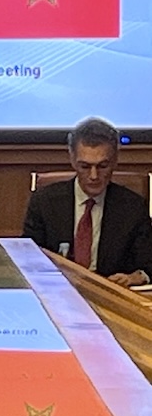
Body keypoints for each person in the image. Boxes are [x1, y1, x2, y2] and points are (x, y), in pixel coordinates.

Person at [22, 116, 152, 287]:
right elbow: (28, 259)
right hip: (58, 291)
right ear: (72, 159)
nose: (94, 176)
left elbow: (148, 264)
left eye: (102, 166)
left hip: (110, 293)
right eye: (85, 166)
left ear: (115, 160)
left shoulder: (133, 207)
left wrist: (136, 276)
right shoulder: (44, 202)